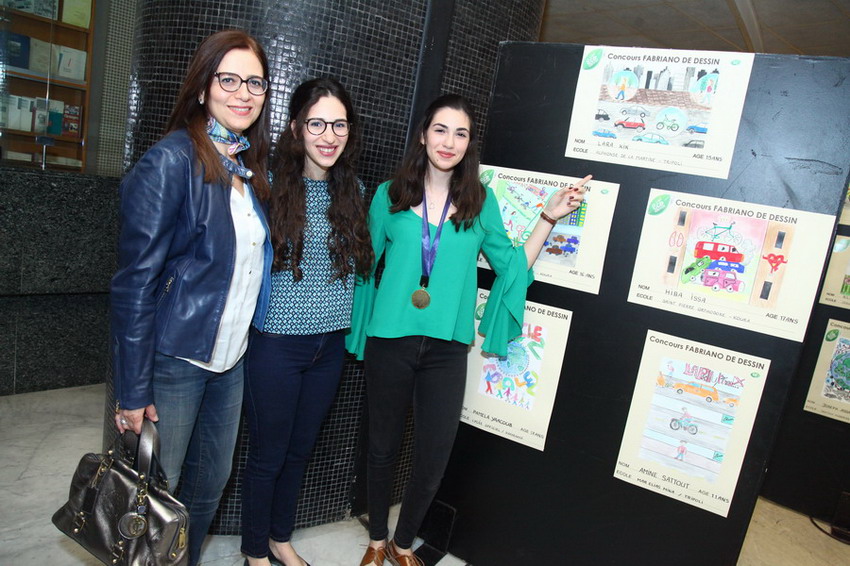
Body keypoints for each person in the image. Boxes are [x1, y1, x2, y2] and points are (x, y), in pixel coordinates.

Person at [348, 94, 590, 566]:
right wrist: (362, 327)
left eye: (460, 133)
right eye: (440, 130)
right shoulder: (389, 195)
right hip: (389, 341)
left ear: (468, 144)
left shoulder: (480, 202)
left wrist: (547, 217)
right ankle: (376, 540)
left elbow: (510, 265)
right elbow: (364, 267)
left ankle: (402, 543)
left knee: (433, 456)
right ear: (423, 135)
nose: (449, 141)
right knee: (381, 448)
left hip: (446, 349)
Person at [110, 30, 273, 566]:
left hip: (229, 360)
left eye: (255, 83)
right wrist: (132, 389)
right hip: (174, 357)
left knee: (208, 487)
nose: (243, 93)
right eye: (229, 79)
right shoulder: (171, 160)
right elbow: (135, 282)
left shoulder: (246, 169)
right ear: (203, 87)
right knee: (153, 491)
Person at [240, 77, 373, 566]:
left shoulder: (353, 190)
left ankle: (280, 539)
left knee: (299, 452)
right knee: (268, 455)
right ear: (296, 128)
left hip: (329, 347)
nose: (329, 135)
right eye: (317, 124)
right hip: (276, 345)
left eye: (339, 124)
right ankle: (255, 551)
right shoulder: (267, 186)